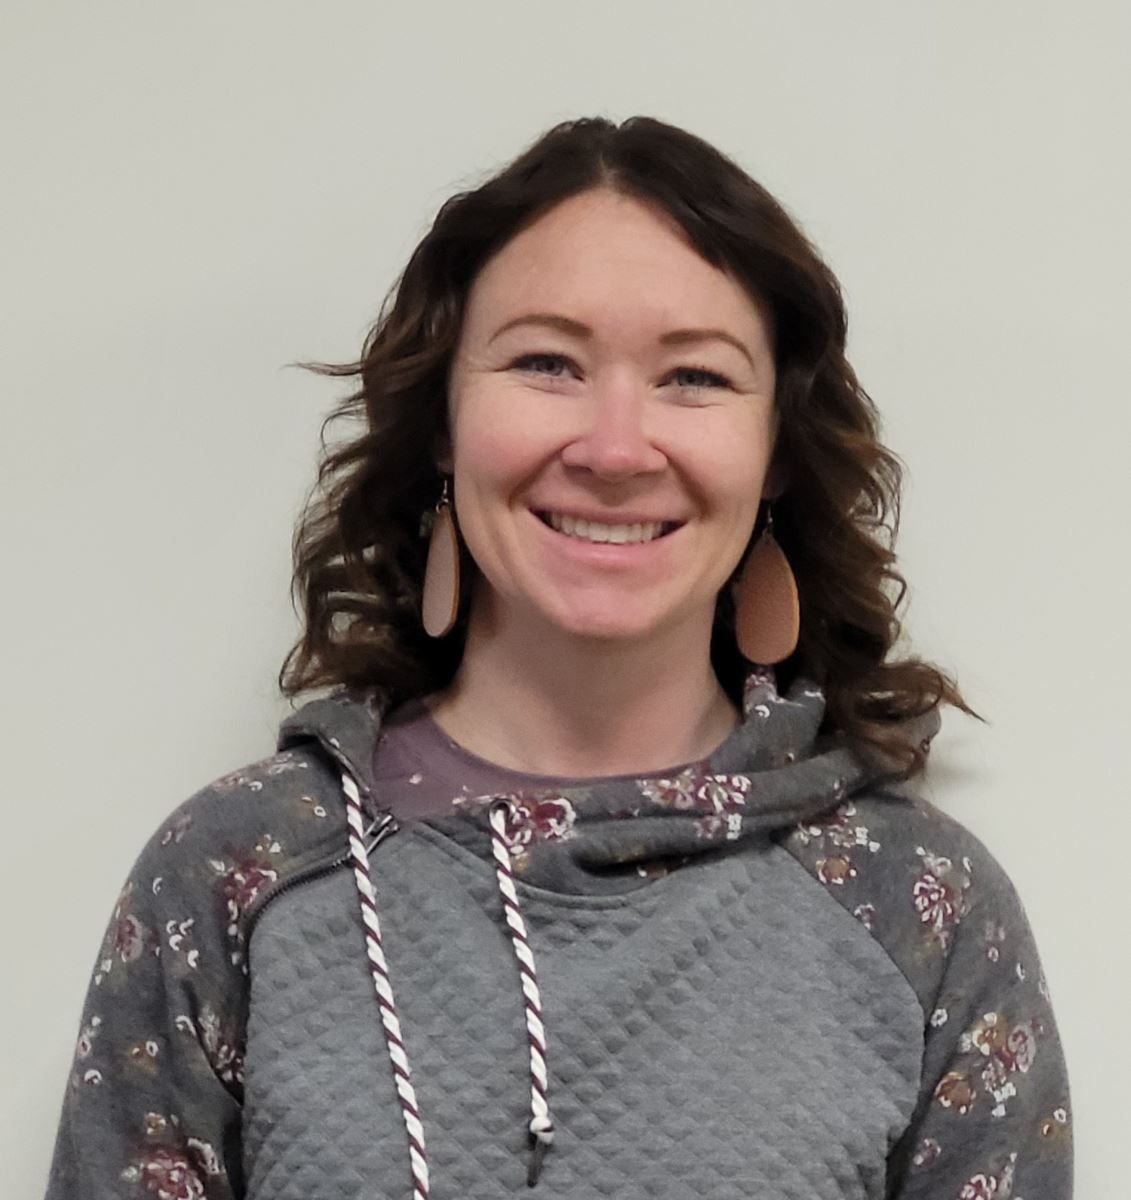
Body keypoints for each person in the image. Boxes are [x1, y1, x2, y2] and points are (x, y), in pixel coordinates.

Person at [45, 116, 1072, 1200]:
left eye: (695, 377)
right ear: (442, 423)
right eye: (546, 363)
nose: (616, 449)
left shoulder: (918, 902)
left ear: (776, 449)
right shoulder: (236, 871)